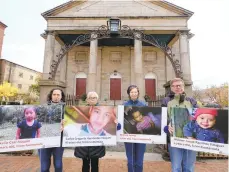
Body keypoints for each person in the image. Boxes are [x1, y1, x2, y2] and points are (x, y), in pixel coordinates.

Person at [162, 78, 198, 172]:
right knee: (176, 167)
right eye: (174, 86)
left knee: (189, 168)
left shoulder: (192, 101)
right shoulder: (166, 101)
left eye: (179, 85)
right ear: (171, 88)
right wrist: (167, 126)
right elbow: (162, 118)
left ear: (183, 86)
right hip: (174, 138)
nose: (177, 88)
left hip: (190, 139)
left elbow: (198, 116)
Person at [74, 91, 106, 172]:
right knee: (85, 164)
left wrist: (114, 122)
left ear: (97, 99)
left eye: (94, 98)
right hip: (84, 142)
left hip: (96, 143)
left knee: (95, 164)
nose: (92, 99)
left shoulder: (103, 111)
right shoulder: (81, 111)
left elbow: (107, 124)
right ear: (87, 100)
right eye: (90, 98)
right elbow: (76, 125)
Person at [39, 88, 65, 172]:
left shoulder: (66, 109)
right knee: (44, 167)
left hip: (59, 140)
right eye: (54, 94)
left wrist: (65, 125)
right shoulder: (43, 108)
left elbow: (71, 125)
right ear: (51, 96)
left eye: (58, 95)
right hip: (45, 140)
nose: (56, 97)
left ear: (61, 96)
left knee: (58, 165)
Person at [123, 85, 147, 172]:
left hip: (141, 135)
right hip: (129, 135)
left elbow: (146, 119)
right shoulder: (124, 105)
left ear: (138, 93)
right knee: (130, 159)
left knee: (139, 160)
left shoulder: (143, 104)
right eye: (132, 92)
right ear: (129, 93)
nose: (134, 94)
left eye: (135, 92)